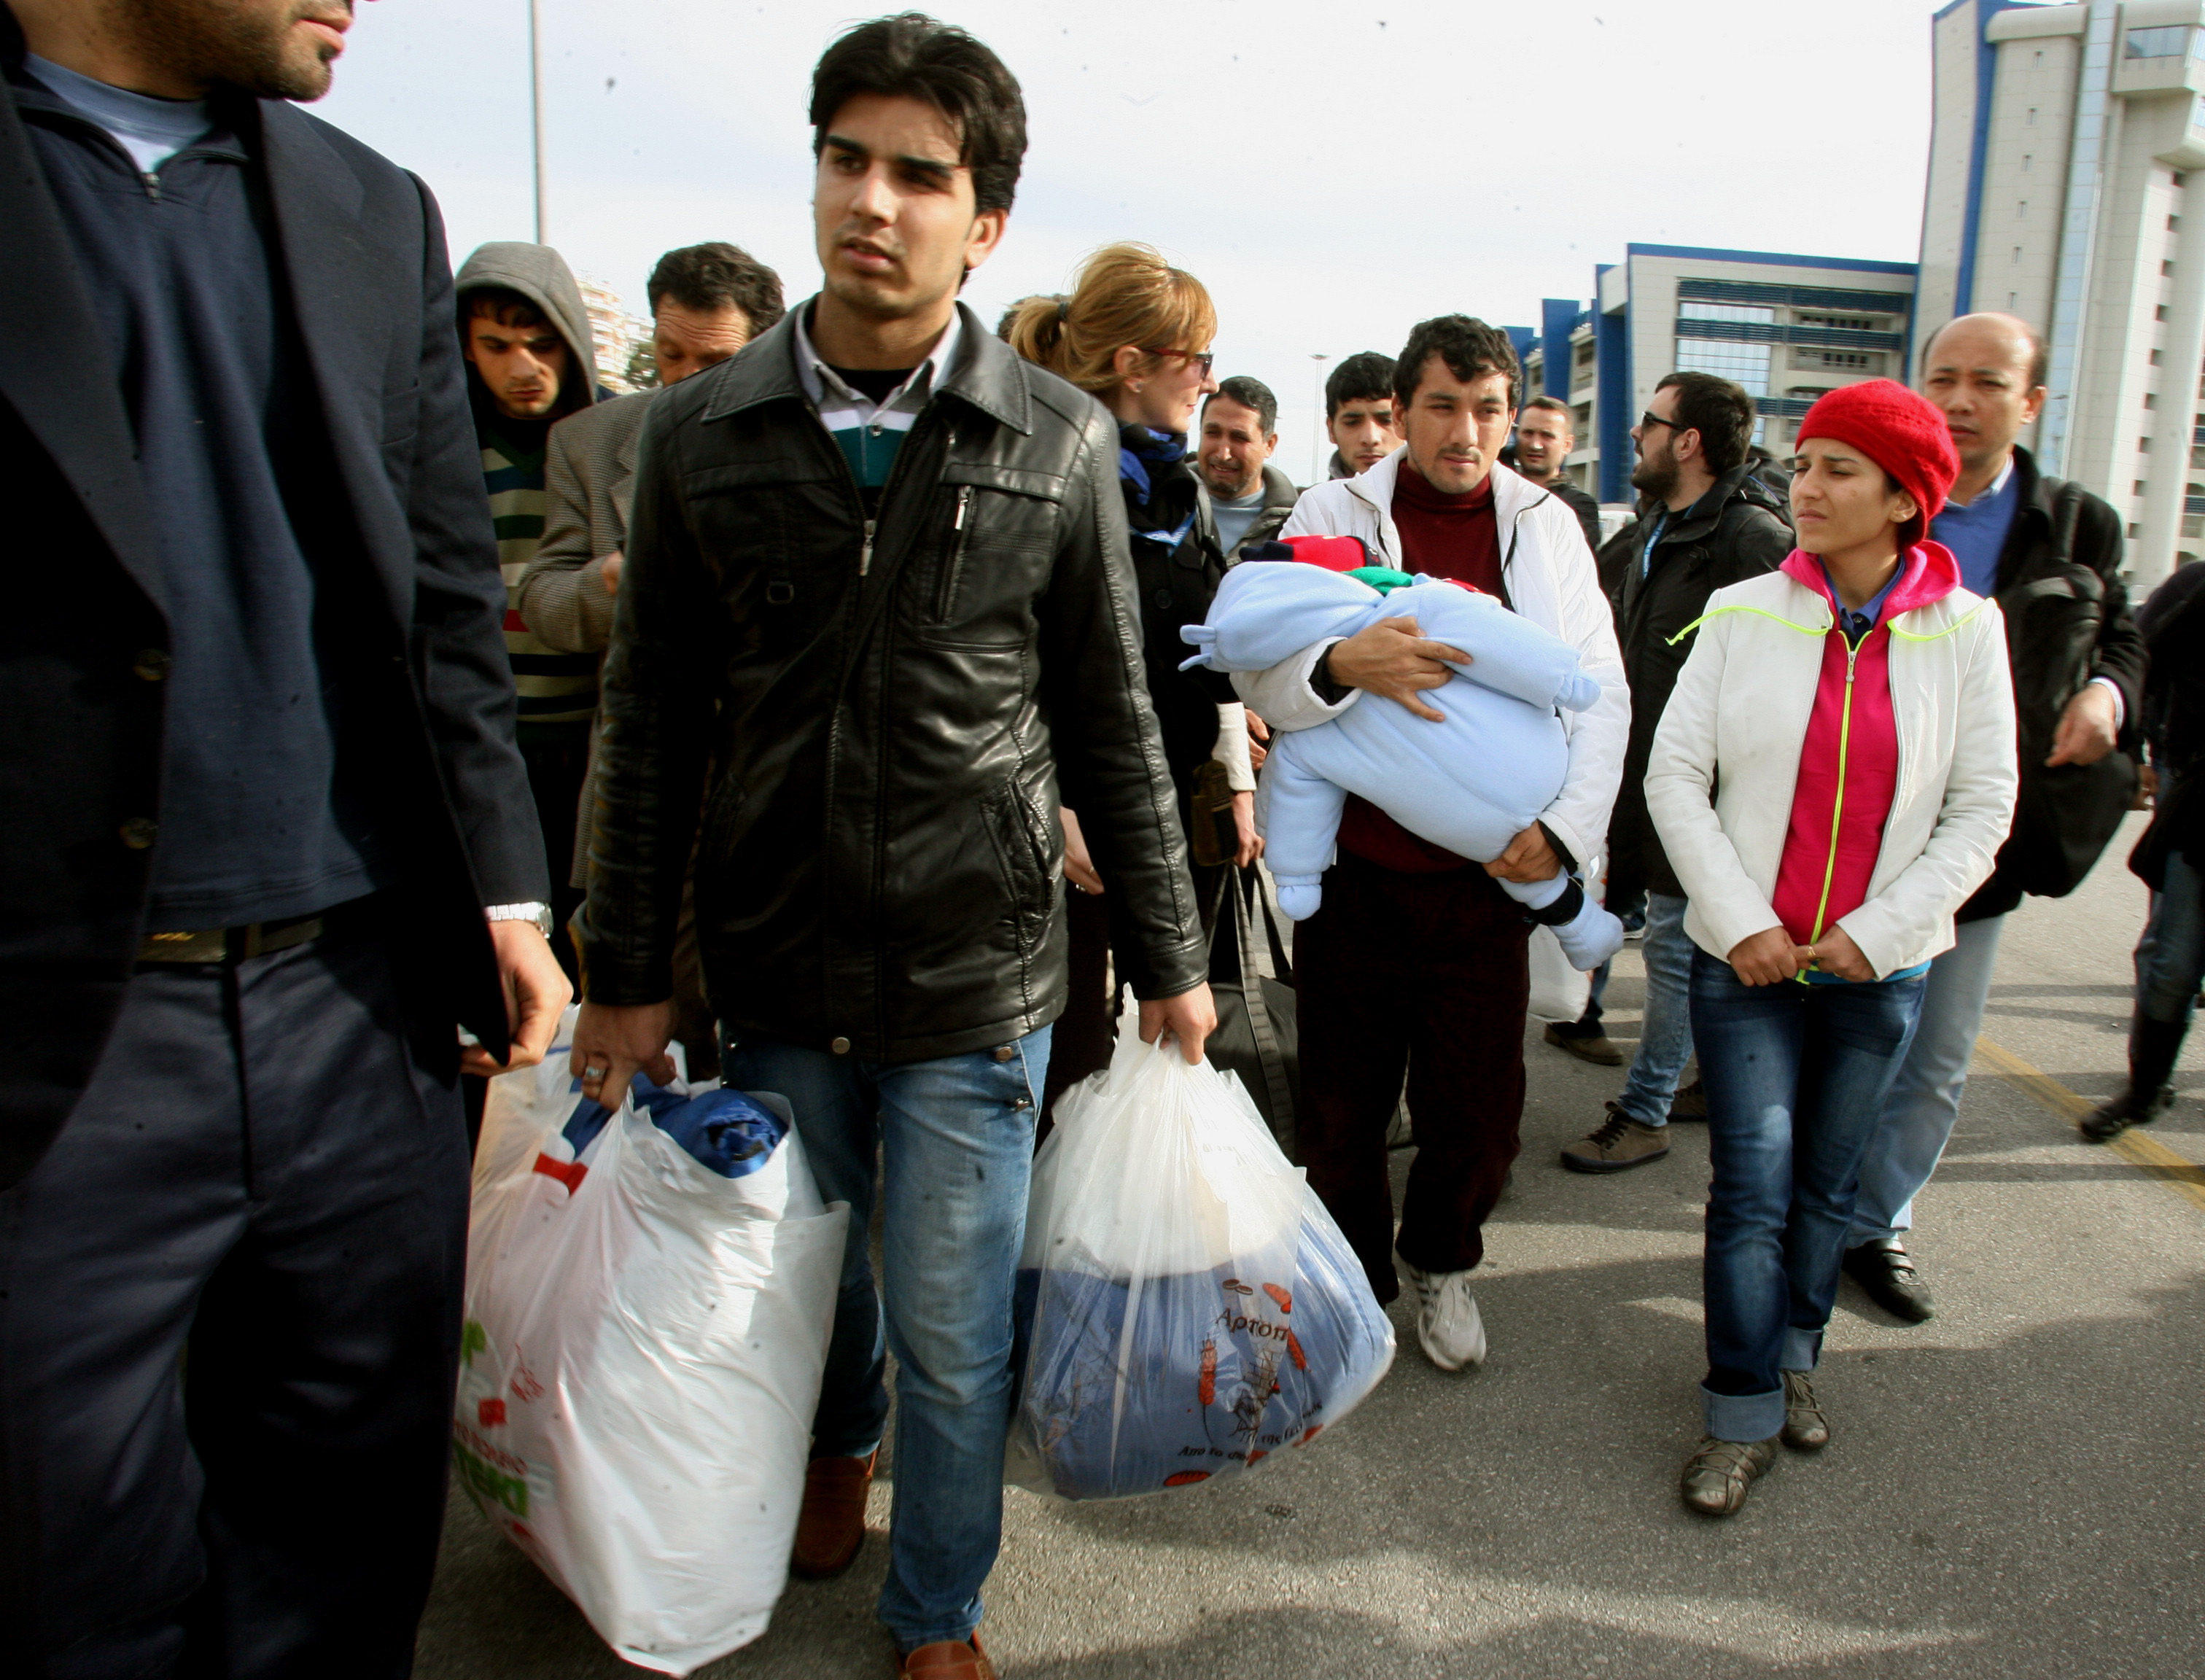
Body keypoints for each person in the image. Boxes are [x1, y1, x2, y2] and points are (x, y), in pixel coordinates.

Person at [566, 18, 1214, 1678]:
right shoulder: (702, 435)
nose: (876, 199)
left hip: (973, 970)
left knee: (948, 1323)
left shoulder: (1057, 440)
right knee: (813, 1292)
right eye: (846, 159)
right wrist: (624, 971)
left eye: (920, 174)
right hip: (778, 962)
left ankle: (937, 1609)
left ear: (983, 221)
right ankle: (830, 1452)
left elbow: (1113, 719)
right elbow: (646, 727)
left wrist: (1171, 958)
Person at [0, 0, 570, 1672]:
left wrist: (501, 898)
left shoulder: (370, 206)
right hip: (62, 1056)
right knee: (72, 1594)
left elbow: (446, 599)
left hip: (361, 1015)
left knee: (338, 1570)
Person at [1644, 379, 2016, 1517]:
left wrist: (1875, 935)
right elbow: (1673, 777)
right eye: (1803, 464)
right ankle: (1742, 1407)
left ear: (1908, 500)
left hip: (1877, 971)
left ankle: (1798, 1353)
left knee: (1827, 1185)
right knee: (1751, 1183)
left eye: (1838, 470)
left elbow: (1983, 805)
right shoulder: (1747, 609)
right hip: (1744, 964)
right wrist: (1746, 924)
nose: (1806, 486)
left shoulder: (1968, 630)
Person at [1237, 315, 1628, 1370]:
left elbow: (1601, 691)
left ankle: (1442, 1264)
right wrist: (1337, 669)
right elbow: (1257, 664)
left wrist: (1559, 834)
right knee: (1342, 1108)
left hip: (1485, 886)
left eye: (1489, 408)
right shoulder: (1332, 509)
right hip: (1359, 880)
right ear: (1402, 411)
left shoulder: (1545, 525)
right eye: (1444, 406)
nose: (1467, 430)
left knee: (1478, 1114)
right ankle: (1357, 1284)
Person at [1842, 313, 2143, 1318]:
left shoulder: (2076, 522)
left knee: (1933, 1059)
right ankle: (1804, 1207)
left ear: (2032, 402)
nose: (1960, 401)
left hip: (1984, 838)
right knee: (1837, 1042)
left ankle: (1877, 1224)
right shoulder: (1869, 499)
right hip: (1848, 828)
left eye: (1987, 382)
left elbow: (2125, 633)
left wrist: (2108, 694)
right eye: (1943, 379)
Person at [518, 241, 785, 1076]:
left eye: (713, 361)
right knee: (651, 1029)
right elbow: (545, 602)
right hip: (647, 791)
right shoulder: (592, 445)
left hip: (779, 786)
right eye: (669, 355)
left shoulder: (811, 452)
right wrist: (610, 583)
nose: (684, 380)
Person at [1008, 245, 1256, 1119]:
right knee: (1061, 1069)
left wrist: (1236, 768)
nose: (1207, 379)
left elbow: (1202, 649)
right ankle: (1038, 1246)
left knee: (1160, 1047)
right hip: (1061, 825)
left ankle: (1113, 1247)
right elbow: (1013, 665)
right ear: (1132, 364)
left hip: (1165, 814)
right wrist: (1049, 806)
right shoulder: (1044, 477)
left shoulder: (1179, 490)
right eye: (1197, 358)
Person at [1558, 373, 1792, 1171]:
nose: (1636, 437)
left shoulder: (1750, 536)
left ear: (1687, 442)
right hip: (1643, 772)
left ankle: (1648, 1108)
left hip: (1705, 789)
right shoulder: (1658, 527)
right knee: (1685, 944)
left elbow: (1789, 668)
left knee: (1671, 946)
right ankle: (1703, 1081)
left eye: (1649, 423)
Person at [454, 239, 607, 978]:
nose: (524, 368)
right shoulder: (443, 449)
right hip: (486, 748)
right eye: (497, 345)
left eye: (543, 343)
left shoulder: (607, 443)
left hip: (588, 744)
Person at [2089, 559, 2205, 1139]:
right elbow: (2138, 660)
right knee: (2173, 960)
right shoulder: (2196, 586)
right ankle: (2144, 1090)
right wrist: (2136, 752)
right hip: (2197, 796)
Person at [1194, 375, 1299, 561]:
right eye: (1213, 433)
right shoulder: (1162, 506)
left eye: (1239, 438)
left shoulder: (1297, 522)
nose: (1223, 454)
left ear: (1269, 444)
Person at [1508, 394, 1601, 550]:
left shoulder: (1579, 505)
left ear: (1567, 444)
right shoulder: (1500, 490)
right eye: (1528, 433)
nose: (1536, 445)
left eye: (1547, 436)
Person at [1322, 349, 1401, 479]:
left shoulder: (1442, 498)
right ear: (1331, 430)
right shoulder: (1312, 499)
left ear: (1407, 424)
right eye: (1352, 423)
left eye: (1386, 421)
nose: (1370, 439)